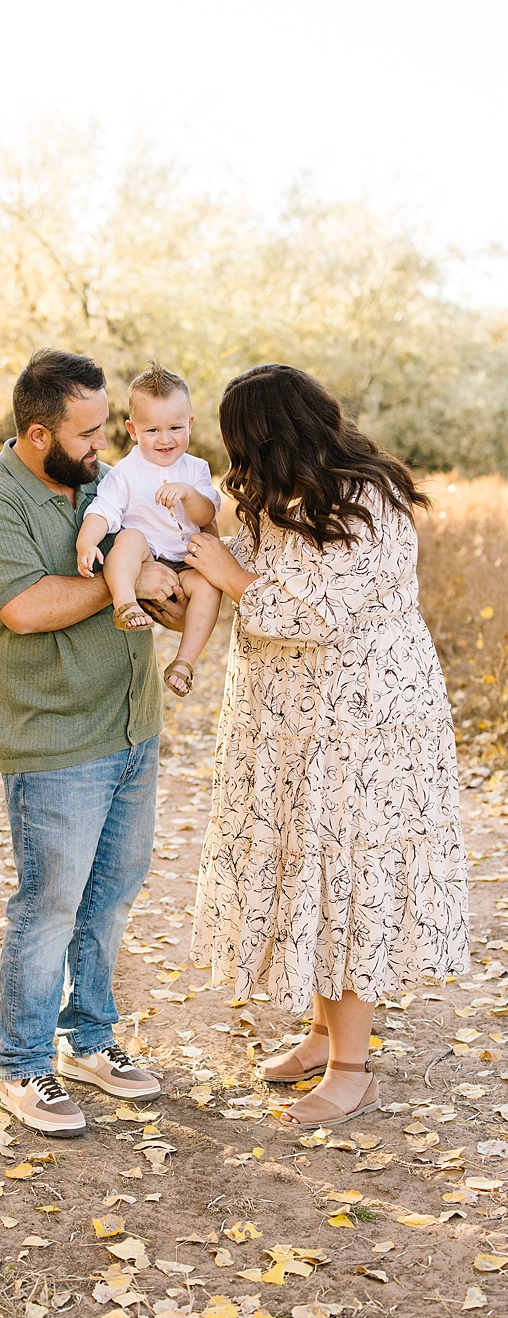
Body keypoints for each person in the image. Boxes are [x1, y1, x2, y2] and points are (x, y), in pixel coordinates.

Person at [185, 364, 468, 1128]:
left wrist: (231, 576)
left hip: (363, 726)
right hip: (290, 724)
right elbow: (228, 565)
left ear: (271, 433)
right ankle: (320, 1034)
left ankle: (352, 1067)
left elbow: (314, 613)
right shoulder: (277, 496)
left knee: (347, 873)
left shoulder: (365, 497)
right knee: (307, 867)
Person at [0, 348, 181, 1137]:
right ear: (39, 430)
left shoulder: (105, 484)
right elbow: (25, 605)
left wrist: (171, 589)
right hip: (55, 739)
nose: (103, 445)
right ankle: (22, 1066)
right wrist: (125, 584)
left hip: (131, 726)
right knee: (48, 904)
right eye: (87, 433)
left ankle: (90, 1041)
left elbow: (164, 573)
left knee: (110, 898)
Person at [75, 362, 223, 698]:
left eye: (174, 427)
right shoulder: (124, 474)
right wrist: (87, 542)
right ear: (132, 430)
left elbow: (207, 513)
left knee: (208, 587)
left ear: (190, 423)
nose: (165, 439)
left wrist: (188, 492)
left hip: (186, 564)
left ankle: (184, 662)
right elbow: (103, 511)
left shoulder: (196, 469)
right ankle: (125, 603)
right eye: (152, 430)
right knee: (128, 538)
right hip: (146, 558)